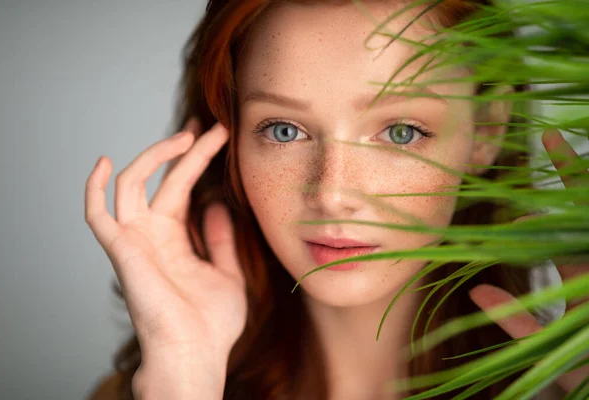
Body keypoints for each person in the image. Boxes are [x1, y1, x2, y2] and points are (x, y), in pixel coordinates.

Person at [84, 0, 587, 399]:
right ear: (230, 141)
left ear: (486, 130)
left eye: (401, 131)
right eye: (284, 130)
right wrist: (184, 378)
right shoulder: (162, 388)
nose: (333, 194)